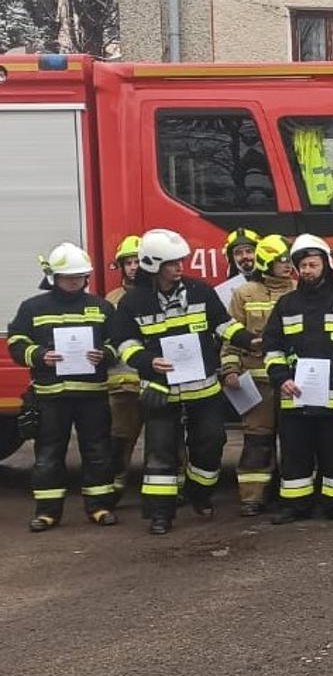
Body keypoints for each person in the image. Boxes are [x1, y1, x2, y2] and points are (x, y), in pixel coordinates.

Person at [109, 228, 253, 535]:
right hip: (161, 389)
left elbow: (223, 326)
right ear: (153, 265)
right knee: (160, 453)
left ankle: (199, 493)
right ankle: (161, 515)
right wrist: (148, 362)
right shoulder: (133, 302)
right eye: (172, 263)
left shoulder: (201, 291)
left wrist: (250, 340)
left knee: (211, 444)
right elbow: (124, 343)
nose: (179, 267)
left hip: (203, 388)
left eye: (180, 261)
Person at [262, 235, 333, 525]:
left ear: (326, 265)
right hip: (294, 394)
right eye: (303, 265)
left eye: (313, 264)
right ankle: (295, 505)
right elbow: (272, 348)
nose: (307, 270)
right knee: (295, 452)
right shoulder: (286, 304)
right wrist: (280, 378)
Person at [10, 243, 118, 530]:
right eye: (69, 276)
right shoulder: (33, 307)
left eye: (80, 275)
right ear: (54, 277)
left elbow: (118, 342)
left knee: (97, 453)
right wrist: (40, 356)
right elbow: (16, 342)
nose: (75, 280)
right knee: (48, 456)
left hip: (91, 396)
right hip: (50, 397)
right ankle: (47, 512)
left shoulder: (101, 307)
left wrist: (105, 355)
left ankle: (99, 507)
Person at [224, 234, 293, 517]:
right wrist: (230, 368)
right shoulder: (245, 294)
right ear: (267, 263)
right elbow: (230, 338)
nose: (288, 266)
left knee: (294, 441)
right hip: (257, 382)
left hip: (292, 382)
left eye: (289, 260)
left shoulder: (299, 292)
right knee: (257, 440)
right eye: (281, 261)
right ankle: (253, 497)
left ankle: (291, 493)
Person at [102, 235, 144, 493]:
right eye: (128, 262)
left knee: (169, 441)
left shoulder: (158, 294)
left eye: (138, 261)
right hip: (122, 385)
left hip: (157, 382)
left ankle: (176, 487)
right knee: (119, 439)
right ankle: (114, 487)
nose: (133, 267)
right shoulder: (111, 299)